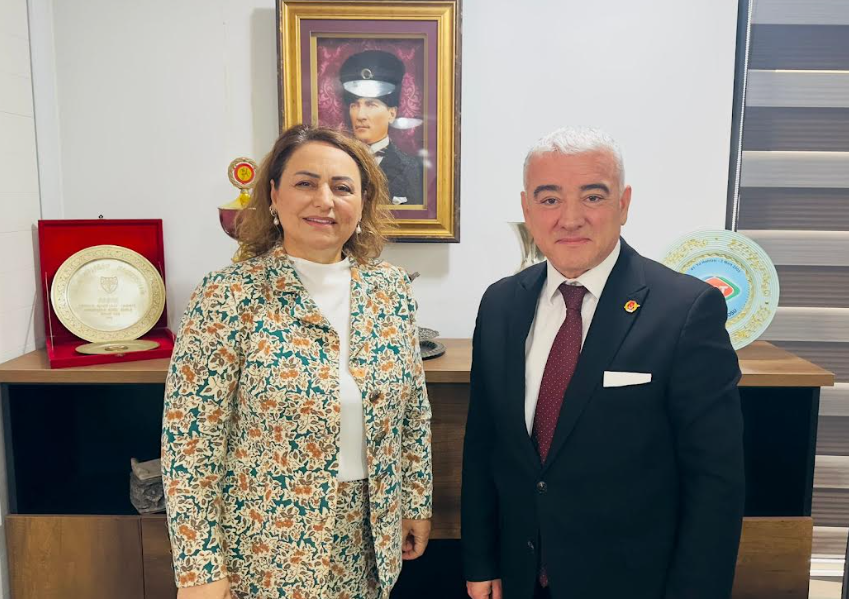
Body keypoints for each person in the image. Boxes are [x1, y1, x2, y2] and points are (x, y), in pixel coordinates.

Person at [461, 127, 745, 599]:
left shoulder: (686, 310)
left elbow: (715, 482)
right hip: (519, 576)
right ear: (527, 209)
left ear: (624, 204)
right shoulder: (501, 304)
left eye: (592, 196)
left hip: (633, 582)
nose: (570, 218)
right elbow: (483, 445)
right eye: (549, 199)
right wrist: (480, 560)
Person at [162, 124, 432, 599]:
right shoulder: (227, 295)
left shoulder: (390, 289)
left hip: (369, 540)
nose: (324, 201)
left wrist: (415, 503)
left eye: (342, 187)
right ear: (273, 195)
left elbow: (412, 413)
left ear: (362, 202)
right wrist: (200, 568)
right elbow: (189, 443)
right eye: (306, 183)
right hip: (263, 549)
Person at [340, 49, 424, 206]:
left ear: (392, 114)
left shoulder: (414, 169)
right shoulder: (337, 163)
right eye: (354, 105)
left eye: (371, 105)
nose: (360, 115)